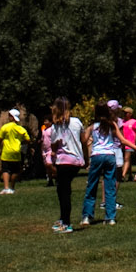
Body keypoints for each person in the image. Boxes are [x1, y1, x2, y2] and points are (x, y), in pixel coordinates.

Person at [43, 97, 85, 233]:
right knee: (63, 189)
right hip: (76, 160)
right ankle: (62, 219)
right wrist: (86, 157)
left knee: (63, 192)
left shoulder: (56, 127)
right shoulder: (77, 122)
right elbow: (83, 140)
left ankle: (66, 223)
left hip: (64, 161)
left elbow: (54, 145)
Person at [82, 100, 124, 227]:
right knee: (110, 187)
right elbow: (122, 140)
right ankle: (110, 217)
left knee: (92, 186)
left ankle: (87, 216)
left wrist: (85, 157)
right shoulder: (112, 125)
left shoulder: (92, 127)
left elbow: (83, 141)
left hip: (96, 155)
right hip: (110, 156)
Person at [0, 108, 30, 194]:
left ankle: (6, 187)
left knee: (6, 170)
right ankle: (12, 187)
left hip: (6, 151)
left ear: (11, 117)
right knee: (15, 171)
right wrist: (21, 142)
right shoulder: (20, 129)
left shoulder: (5, 127)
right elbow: (28, 140)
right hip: (16, 152)